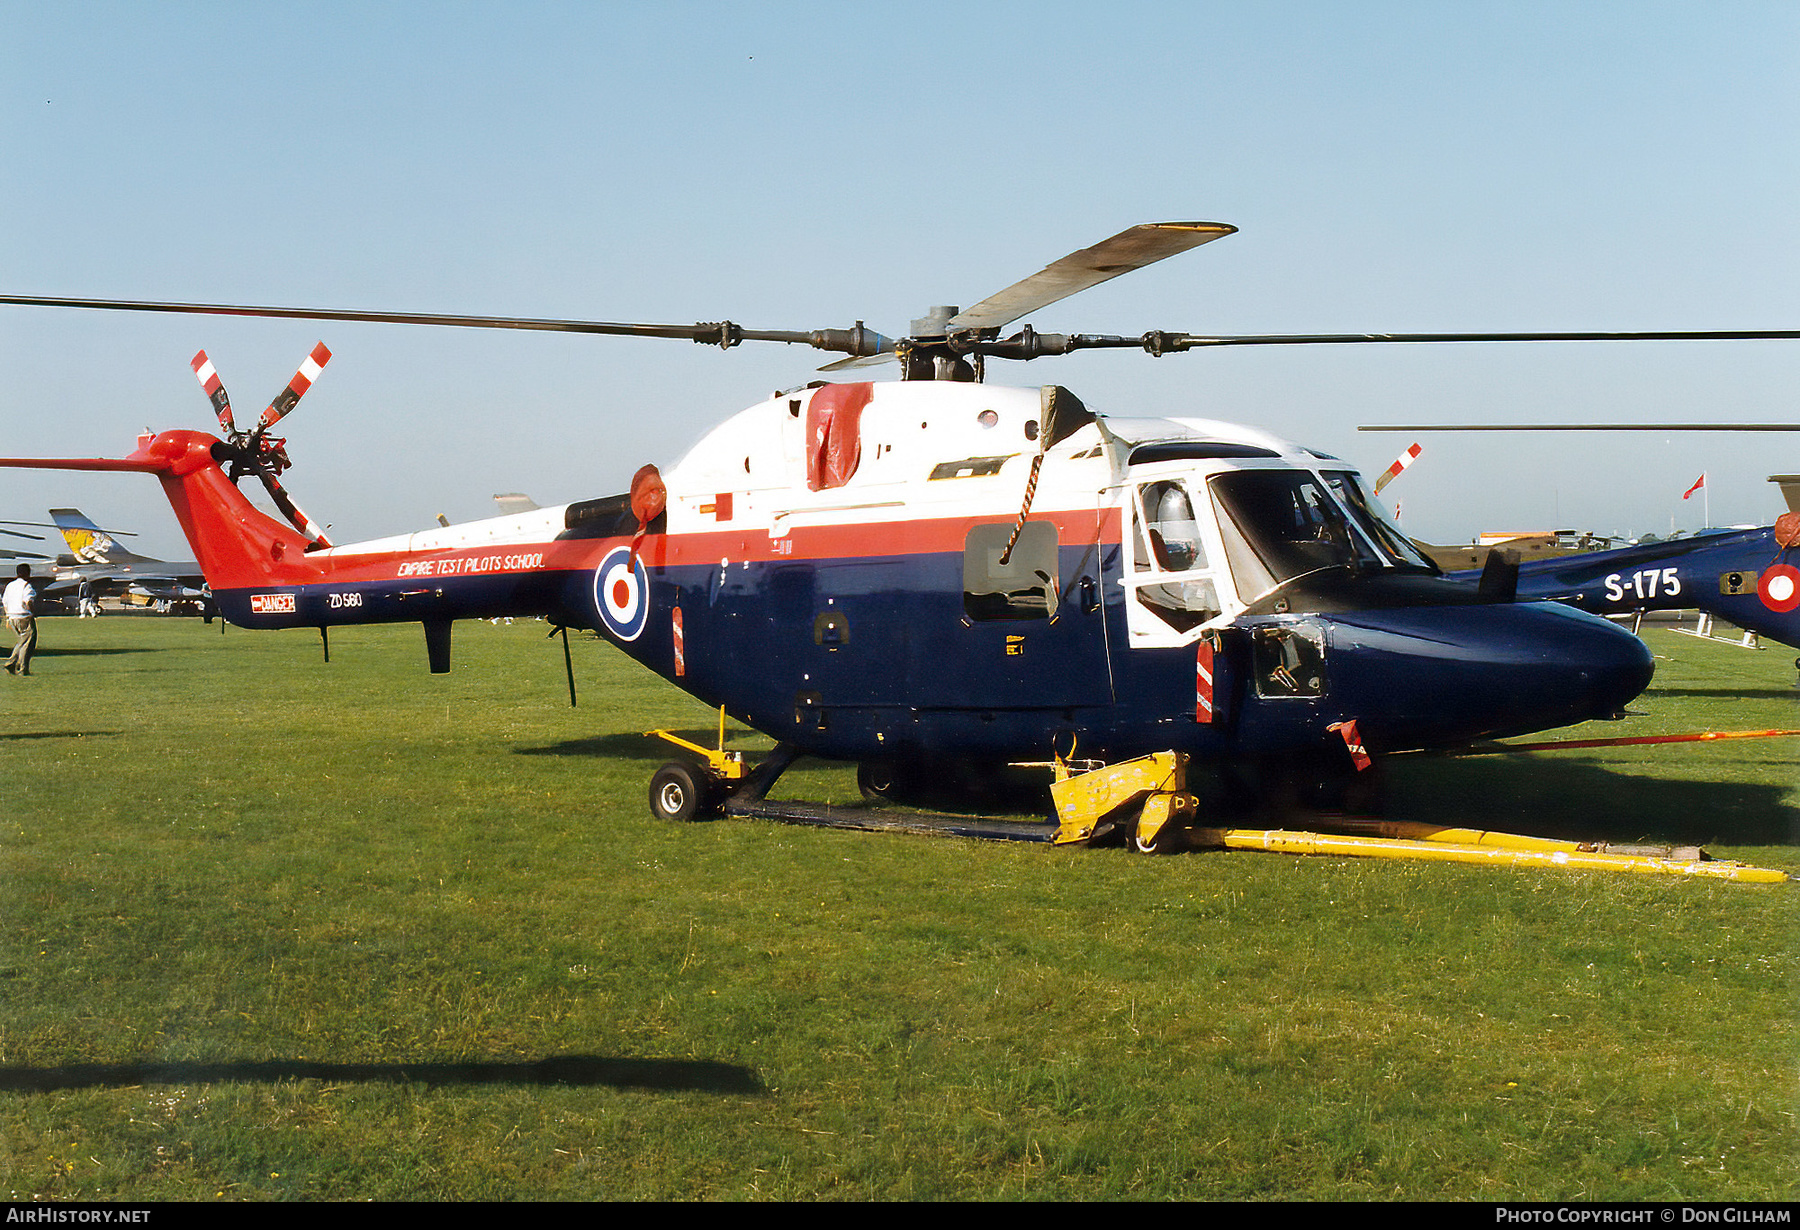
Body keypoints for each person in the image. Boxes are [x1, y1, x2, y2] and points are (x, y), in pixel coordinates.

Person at [5, 563, 37, 676]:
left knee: (22, 641)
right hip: (24, 616)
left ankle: (12, 663)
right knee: (28, 642)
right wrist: (33, 612)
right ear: (27, 573)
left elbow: (5, 602)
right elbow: (28, 600)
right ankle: (22, 668)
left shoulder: (10, 585)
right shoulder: (26, 586)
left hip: (12, 616)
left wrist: (8, 616)